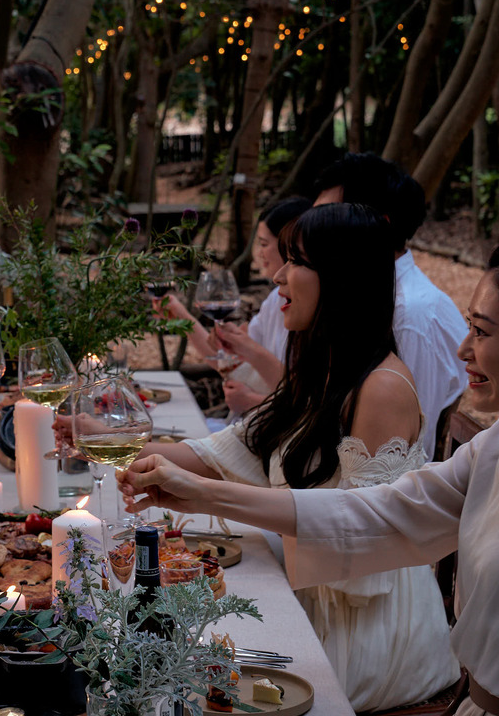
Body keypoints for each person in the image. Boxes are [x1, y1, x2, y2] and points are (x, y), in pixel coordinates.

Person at [121, 231, 499, 716]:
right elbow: (382, 512)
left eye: (481, 332)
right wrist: (202, 495)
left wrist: (207, 492)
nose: (463, 350)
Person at [118, 204, 459, 711]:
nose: (277, 274)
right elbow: (224, 450)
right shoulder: (322, 370)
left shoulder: (382, 388)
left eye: (295, 260)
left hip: (368, 637)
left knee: (174, 679)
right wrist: (103, 440)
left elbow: (357, 546)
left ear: (339, 278)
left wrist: (206, 497)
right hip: (314, 597)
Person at [312, 152, 466, 457]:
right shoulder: (359, 298)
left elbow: (406, 458)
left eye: (328, 217)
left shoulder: (409, 317)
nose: (310, 229)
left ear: (375, 227)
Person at [158, 197, 311, 424]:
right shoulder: (274, 301)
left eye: (264, 244)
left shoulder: (312, 317)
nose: (259, 253)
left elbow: (308, 404)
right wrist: (181, 317)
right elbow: (226, 361)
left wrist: (253, 402)